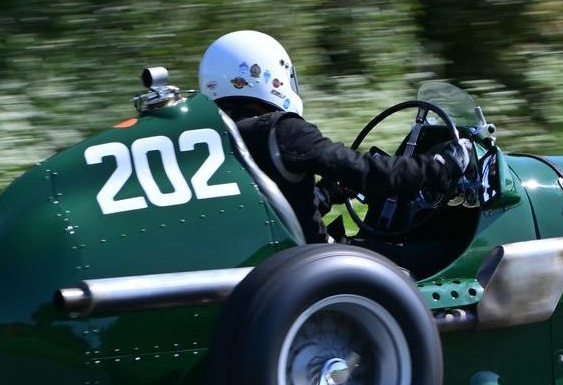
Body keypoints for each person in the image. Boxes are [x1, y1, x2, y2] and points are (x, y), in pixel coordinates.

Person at [198, 30, 468, 244]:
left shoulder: (208, 136)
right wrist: (439, 166)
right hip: (302, 266)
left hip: (255, 259)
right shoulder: (282, 131)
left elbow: (272, 206)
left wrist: (329, 192)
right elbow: (370, 173)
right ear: (271, 77)